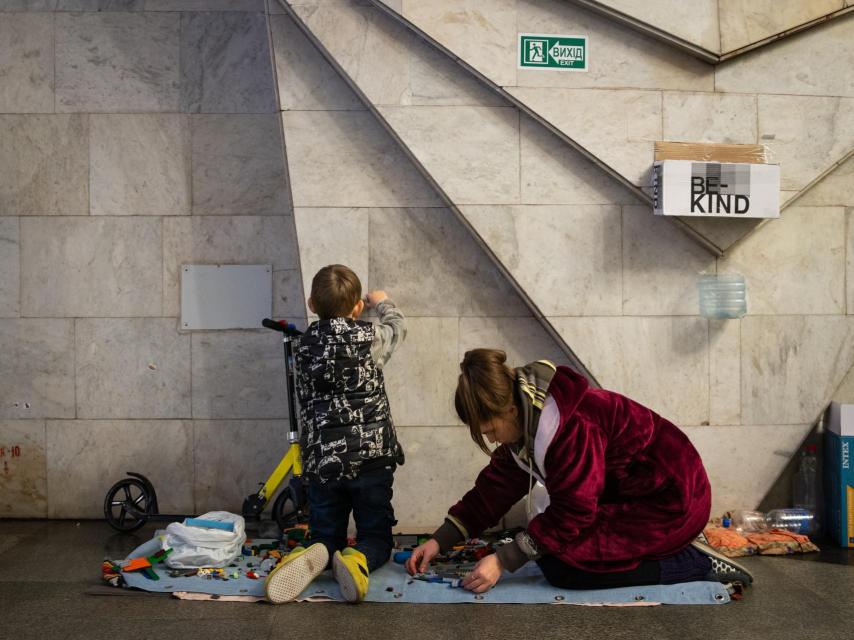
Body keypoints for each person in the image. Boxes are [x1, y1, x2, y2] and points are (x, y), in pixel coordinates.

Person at [406, 349, 753, 593]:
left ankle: (690, 563)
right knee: (550, 553)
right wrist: (440, 540)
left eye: (491, 429)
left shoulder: (571, 429)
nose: (492, 439)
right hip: (631, 496)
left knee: (565, 569)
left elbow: (573, 512)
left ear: (511, 410)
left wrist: (502, 560)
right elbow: (490, 492)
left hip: (672, 502)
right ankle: (669, 553)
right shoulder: (523, 421)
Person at [265, 264, 406, 604]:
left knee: (326, 532)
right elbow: (398, 328)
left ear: (312, 305)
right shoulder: (370, 338)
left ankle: (318, 551)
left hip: (323, 462)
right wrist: (382, 302)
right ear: (358, 307)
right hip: (372, 460)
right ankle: (359, 559)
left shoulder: (302, 348)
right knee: (375, 535)